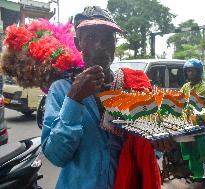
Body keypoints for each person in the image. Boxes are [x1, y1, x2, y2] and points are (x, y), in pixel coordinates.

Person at [41, 6, 172, 189]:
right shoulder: (62, 90)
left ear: (115, 43)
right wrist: (74, 99)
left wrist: (158, 144)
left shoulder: (131, 85)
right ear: (78, 43)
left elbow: (147, 147)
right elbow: (56, 155)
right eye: (91, 37)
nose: (101, 45)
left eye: (108, 37)